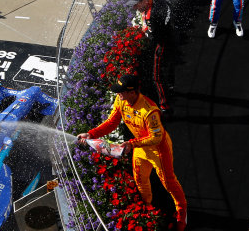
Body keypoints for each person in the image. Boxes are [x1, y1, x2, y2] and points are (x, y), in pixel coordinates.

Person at [76, 74, 187, 231]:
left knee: (169, 183)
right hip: (140, 148)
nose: (118, 94)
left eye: (121, 91)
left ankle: (182, 214)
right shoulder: (121, 100)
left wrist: (132, 143)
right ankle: (148, 209)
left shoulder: (149, 111)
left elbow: (157, 137)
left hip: (159, 151)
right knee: (140, 180)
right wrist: (91, 134)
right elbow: (111, 122)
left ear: (133, 92)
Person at [127, 0, 176, 116]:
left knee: (156, 76)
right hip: (173, 34)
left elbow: (151, 35)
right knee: (170, 62)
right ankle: (171, 84)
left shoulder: (151, 17)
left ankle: (164, 106)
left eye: (137, 4)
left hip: (163, 42)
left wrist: (142, 28)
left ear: (144, 1)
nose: (136, 8)